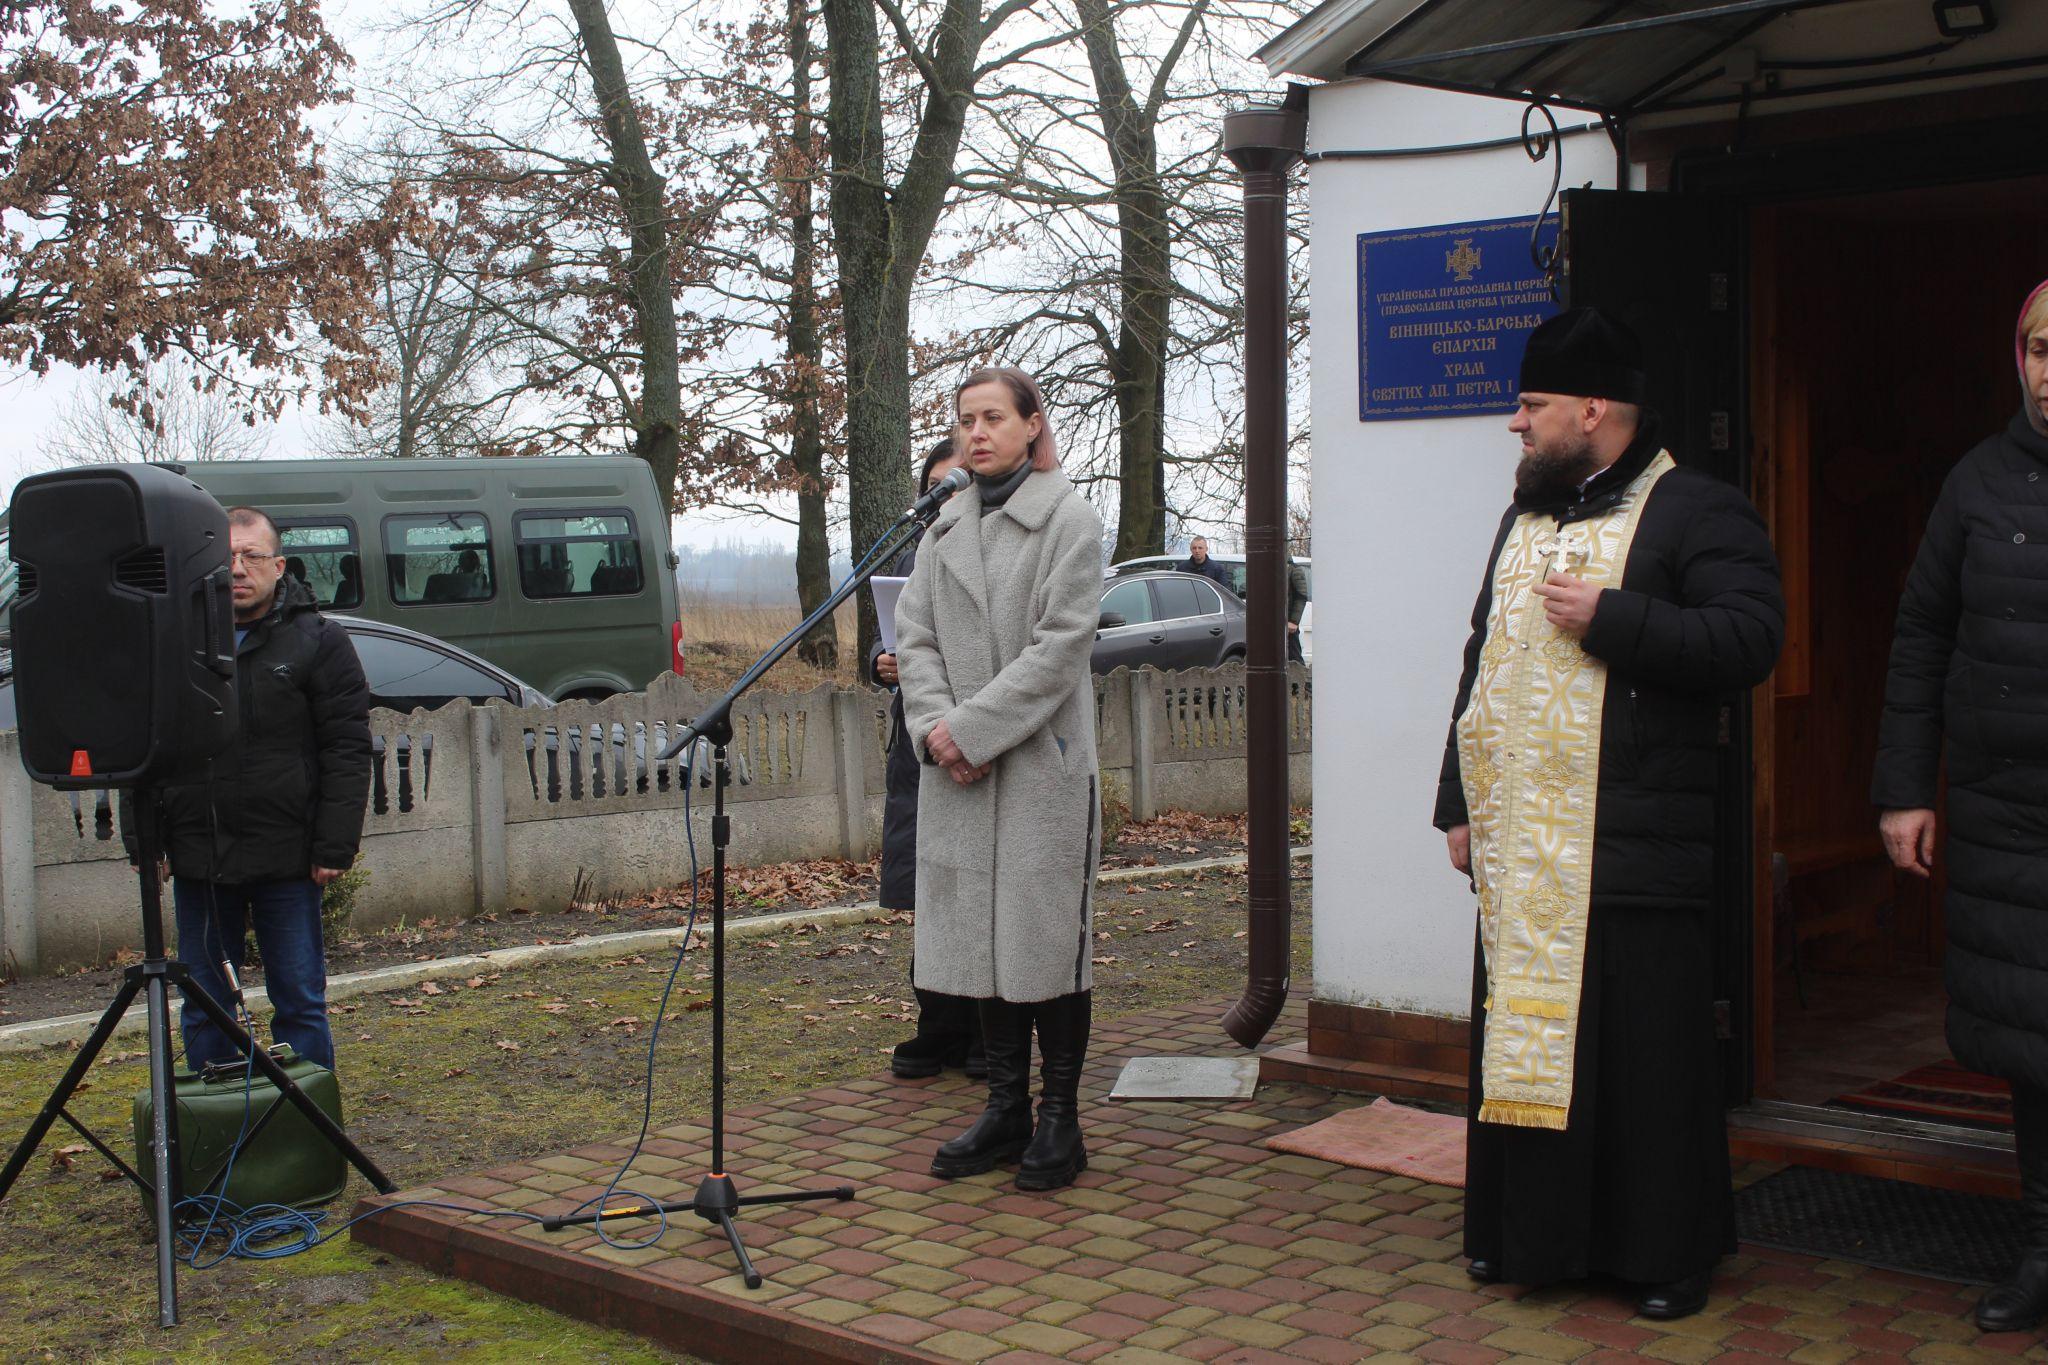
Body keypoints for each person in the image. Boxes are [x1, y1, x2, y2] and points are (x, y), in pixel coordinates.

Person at [1432, 308, 1784, 1319]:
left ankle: (1664, 1256)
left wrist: (1616, 619)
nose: (1515, 424)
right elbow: (1479, 662)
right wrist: (1455, 804)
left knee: (1643, 1060)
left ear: (1594, 407)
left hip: (1631, 840)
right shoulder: (1525, 519)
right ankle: (1531, 1240)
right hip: (1520, 844)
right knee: (1531, 1043)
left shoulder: (1695, 511)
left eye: (1531, 405)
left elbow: (1749, 637)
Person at [1873, 279, 2048, 1335]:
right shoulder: (1976, 483)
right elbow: (1918, 634)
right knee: (2033, 1048)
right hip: (2004, 815)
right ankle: (2042, 1254)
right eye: (2036, 348)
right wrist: (1901, 787)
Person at [897, 366, 1104, 1192]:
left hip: (1036, 768)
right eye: (965, 421)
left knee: (1045, 939)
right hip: (958, 767)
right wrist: (935, 730)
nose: (976, 433)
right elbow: (913, 635)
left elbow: (1060, 648)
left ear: (1031, 426)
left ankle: (1061, 1118)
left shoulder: (1069, 520)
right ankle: (1005, 1106)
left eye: (993, 418)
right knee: (983, 933)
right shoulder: (941, 525)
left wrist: (971, 729)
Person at [135, 506, 372, 1073]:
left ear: (278, 565)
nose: (238, 569)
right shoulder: (176, 641)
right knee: (205, 1007)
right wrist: (147, 843)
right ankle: (218, 1138)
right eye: (226, 557)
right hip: (199, 856)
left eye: (252, 556)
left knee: (300, 1002)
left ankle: (306, 1136)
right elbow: (142, 749)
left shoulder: (319, 641)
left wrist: (334, 846)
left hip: (289, 858)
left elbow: (346, 747)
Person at [872, 440, 985, 1080]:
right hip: (916, 750)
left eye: (957, 484)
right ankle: (938, 1026)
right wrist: (884, 664)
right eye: (936, 487)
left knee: (972, 890)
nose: (946, 497)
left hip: (972, 741)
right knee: (928, 893)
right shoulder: (915, 558)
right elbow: (890, 639)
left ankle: (981, 1032)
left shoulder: (994, 555)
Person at [1285, 555, 1310, 663]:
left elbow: (1301, 596)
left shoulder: (1294, 570)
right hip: (1274, 622)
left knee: (1294, 656)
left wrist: (1294, 621)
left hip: (1289, 621)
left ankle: (1301, 679)